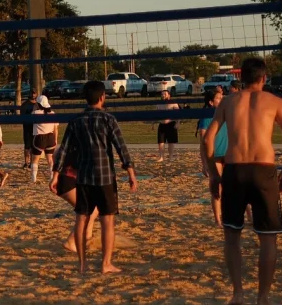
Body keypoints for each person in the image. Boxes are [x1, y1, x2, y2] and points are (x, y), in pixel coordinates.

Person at [202, 57, 282, 305]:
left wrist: (214, 174)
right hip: (264, 169)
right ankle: (263, 298)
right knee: (267, 239)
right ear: (264, 78)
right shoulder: (274, 102)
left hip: (234, 170)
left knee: (232, 236)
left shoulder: (227, 102)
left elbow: (207, 140)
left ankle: (237, 294)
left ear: (241, 77)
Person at [51, 80, 137, 277]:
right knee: (107, 221)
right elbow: (121, 147)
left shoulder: (75, 121)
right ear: (102, 97)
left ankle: (82, 265)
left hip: (84, 178)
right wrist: (130, 172)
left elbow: (62, 152)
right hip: (105, 177)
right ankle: (106, 264)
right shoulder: (108, 119)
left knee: (81, 220)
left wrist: (55, 176)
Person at [196, 88, 229, 228]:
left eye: (222, 97)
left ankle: (243, 216)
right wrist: (204, 163)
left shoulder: (227, 113)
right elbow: (203, 142)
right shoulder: (206, 117)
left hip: (228, 154)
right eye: (218, 98)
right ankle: (218, 220)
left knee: (233, 187)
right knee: (218, 187)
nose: (221, 100)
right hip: (214, 156)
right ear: (210, 102)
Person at [29, 93, 58, 182]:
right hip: (51, 137)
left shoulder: (35, 113)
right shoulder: (52, 113)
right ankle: (52, 176)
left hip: (39, 138)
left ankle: (34, 177)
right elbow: (56, 128)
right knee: (50, 158)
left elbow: (30, 120)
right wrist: (56, 139)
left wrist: (35, 107)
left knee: (35, 159)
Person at [157, 90, 181, 159]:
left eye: (165, 94)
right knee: (161, 142)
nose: (163, 95)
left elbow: (178, 114)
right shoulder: (159, 104)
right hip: (162, 124)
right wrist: (153, 124)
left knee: (171, 142)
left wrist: (178, 123)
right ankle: (161, 157)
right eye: (162, 94)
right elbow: (156, 114)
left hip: (171, 124)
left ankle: (171, 156)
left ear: (169, 95)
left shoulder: (173, 103)